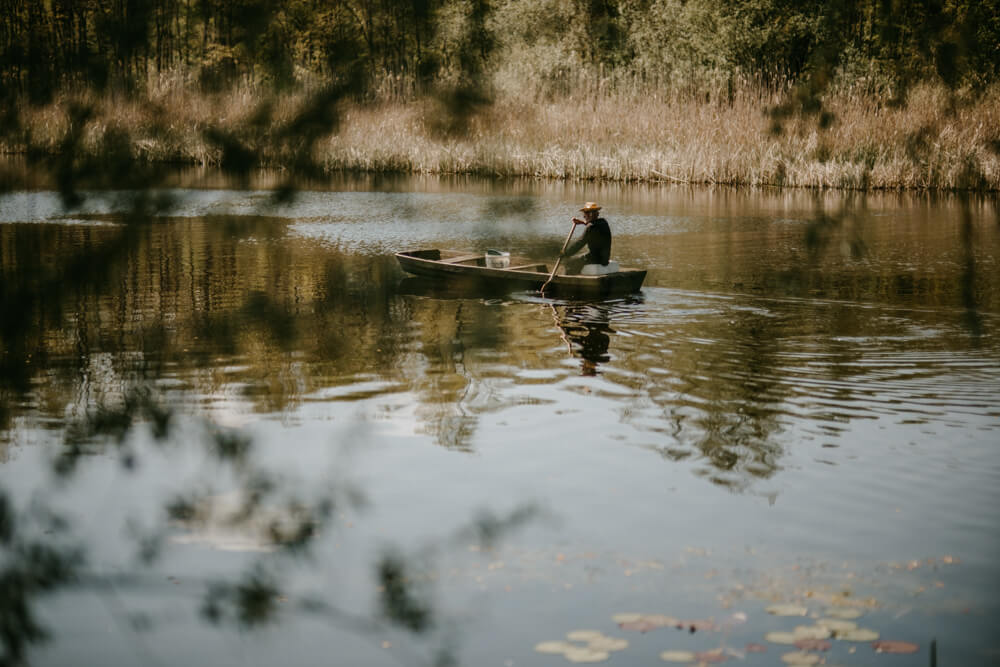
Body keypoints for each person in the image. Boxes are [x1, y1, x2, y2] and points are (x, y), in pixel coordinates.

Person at [561, 202, 612, 275]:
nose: (584, 216)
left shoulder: (591, 227)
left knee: (569, 262)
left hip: (596, 258)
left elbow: (580, 243)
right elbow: (594, 225)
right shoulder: (603, 222)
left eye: (585, 214)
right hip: (604, 259)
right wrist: (583, 222)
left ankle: (569, 281)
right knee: (578, 259)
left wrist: (565, 253)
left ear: (590, 214)